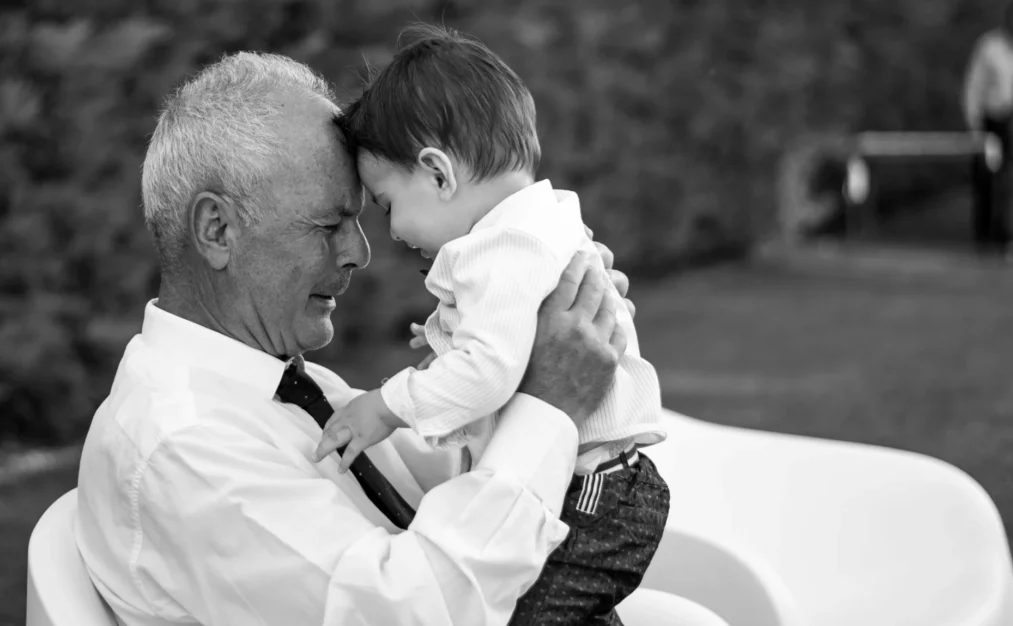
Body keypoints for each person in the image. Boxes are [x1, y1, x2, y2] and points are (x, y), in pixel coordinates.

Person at [71, 50, 658, 626]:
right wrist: (549, 404)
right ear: (217, 230)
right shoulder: (186, 449)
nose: (359, 252)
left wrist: (525, 336)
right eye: (328, 225)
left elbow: (453, 487)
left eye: (360, 218)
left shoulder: (291, 386)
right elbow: (414, 610)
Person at [327, 25, 668, 625]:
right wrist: (452, 341)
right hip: (602, 484)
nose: (391, 233)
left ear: (438, 174)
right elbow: (504, 348)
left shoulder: (504, 247)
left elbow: (490, 373)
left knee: (514, 614)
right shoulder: (537, 223)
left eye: (385, 205)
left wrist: (386, 405)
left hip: (591, 490)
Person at [963, 0, 1013, 256]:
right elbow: (973, 87)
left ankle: (1010, 237)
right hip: (992, 123)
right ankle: (985, 240)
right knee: (987, 181)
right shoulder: (989, 47)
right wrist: (975, 126)